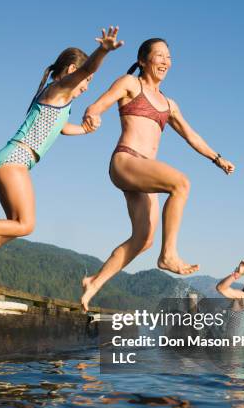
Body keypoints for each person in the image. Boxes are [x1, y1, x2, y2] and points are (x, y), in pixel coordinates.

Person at [0, 27, 124, 285]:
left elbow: (61, 129)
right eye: (87, 81)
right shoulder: (59, 89)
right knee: (25, 224)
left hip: (14, 159)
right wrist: (103, 51)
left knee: (13, 225)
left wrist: (84, 129)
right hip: (15, 158)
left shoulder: (60, 99)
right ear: (72, 71)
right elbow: (88, 69)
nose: (86, 86)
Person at [80, 37, 235, 311]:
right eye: (159, 55)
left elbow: (191, 136)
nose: (165, 61)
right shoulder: (130, 84)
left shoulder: (169, 104)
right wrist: (92, 114)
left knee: (143, 239)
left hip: (144, 174)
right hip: (126, 160)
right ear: (143, 60)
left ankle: (93, 282)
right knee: (181, 183)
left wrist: (217, 158)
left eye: (169, 57)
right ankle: (169, 255)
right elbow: (97, 104)